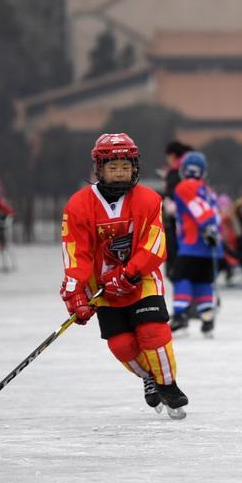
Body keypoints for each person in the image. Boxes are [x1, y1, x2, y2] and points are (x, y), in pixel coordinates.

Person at [59, 132, 188, 419]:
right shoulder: (78, 205)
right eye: (113, 166)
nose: (120, 172)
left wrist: (129, 274)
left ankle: (168, 385)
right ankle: (150, 377)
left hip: (141, 280)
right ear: (99, 168)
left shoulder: (148, 199)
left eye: (125, 166)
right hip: (102, 288)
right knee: (122, 345)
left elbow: (155, 244)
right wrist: (75, 292)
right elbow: (75, 251)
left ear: (135, 167)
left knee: (152, 332)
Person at [169, 151, 223, 336]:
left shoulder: (184, 187)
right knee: (202, 282)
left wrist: (207, 227)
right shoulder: (208, 190)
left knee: (180, 278)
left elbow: (199, 208)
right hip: (209, 248)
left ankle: (180, 315)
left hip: (192, 244)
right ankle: (207, 318)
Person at [161, 140, 192, 276]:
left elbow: (171, 196)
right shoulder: (191, 169)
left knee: (175, 255)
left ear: (172, 155)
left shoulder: (175, 171)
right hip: (191, 221)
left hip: (177, 221)